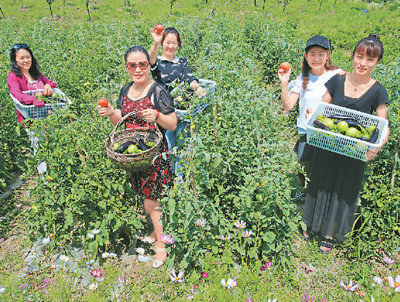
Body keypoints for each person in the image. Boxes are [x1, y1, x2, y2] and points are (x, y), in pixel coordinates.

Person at [303, 34, 390, 254]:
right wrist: (312, 116)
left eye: (370, 59)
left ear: (377, 63)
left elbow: (383, 123)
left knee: (344, 188)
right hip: (328, 143)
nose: (363, 63)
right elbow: (323, 109)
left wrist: (377, 147)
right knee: (321, 183)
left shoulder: (378, 90)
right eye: (359, 56)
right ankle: (312, 225)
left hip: (354, 150)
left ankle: (330, 233)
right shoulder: (338, 80)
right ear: (352, 56)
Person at [97, 46, 177, 268]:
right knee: (147, 197)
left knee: (150, 201)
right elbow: (122, 123)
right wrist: (112, 113)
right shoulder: (125, 90)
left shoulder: (157, 91)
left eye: (142, 64)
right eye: (133, 65)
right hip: (134, 155)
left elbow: (172, 124)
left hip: (153, 157)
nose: (138, 69)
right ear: (127, 67)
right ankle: (155, 230)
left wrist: (158, 115)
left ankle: (161, 246)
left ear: (148, 66)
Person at [278, 35, 341, 201]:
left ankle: (322, 197)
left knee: (325, 168)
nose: (316, 58)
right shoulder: (302, 79)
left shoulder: (337, 76)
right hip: (307, 132)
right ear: (306, 56)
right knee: (302, 163)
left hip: (328, 132)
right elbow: (287, 105)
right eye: (312, 54)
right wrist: (284, 83)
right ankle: (305, 192)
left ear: (328, 55)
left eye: (321, 53)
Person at [148, 26, 206, 173]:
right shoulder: (158, 63)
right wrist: (155, 43)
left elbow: (189, 78)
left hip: (182, 109)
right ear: (162, 43)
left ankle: (179, 179)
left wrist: (197, 87)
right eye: (168, 42)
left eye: (174, 43)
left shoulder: (182, 62)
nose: (171, 46)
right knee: (167, 144)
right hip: (165, 111)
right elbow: (150, 61)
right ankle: (167, 177)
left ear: (178, 44)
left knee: (182, 144)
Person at [7, 43, 57, 126]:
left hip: (47, 115)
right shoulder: (13, 76)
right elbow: (16, 93)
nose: (26, 60)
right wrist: (33, 99)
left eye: (28, 57)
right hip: (30, 118)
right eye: (21, 58)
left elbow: (50, 82)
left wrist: (48, 85)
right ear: (15, 60)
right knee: (38, 138)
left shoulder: (36, 74)